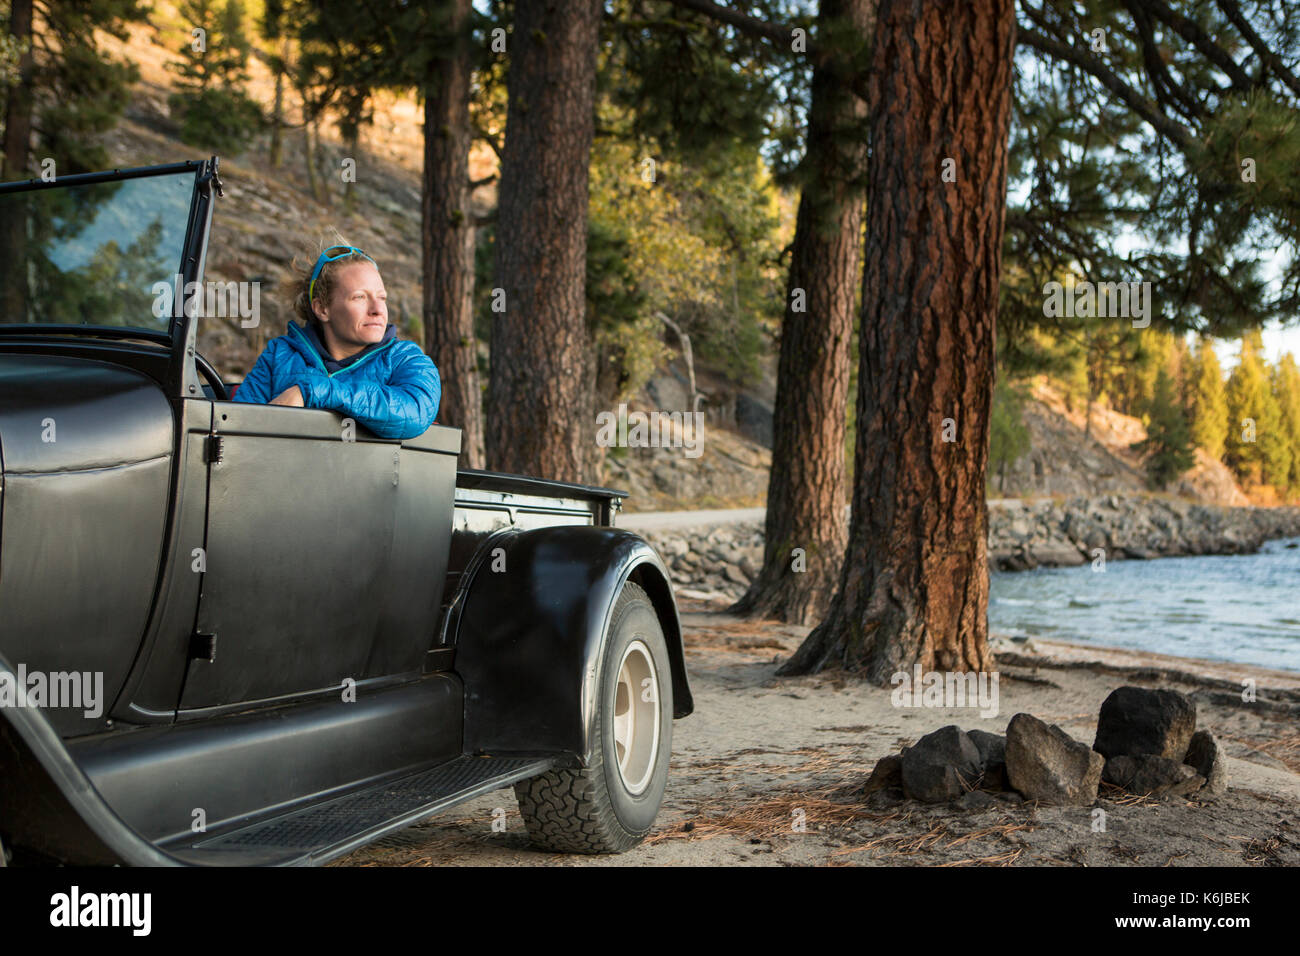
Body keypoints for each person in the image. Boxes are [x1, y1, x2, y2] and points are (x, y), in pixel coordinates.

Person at [234, 245, 441, 441]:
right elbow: (237, 431)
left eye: (382, 297)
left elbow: (414, 412)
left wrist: (313, 391)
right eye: (360, 297)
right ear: (322, 308)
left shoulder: (406, 359)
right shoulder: (280, 355)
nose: (377, 309)